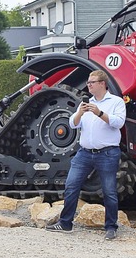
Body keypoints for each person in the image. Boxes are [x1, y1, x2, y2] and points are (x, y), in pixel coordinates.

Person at [46, 69, 126, 240]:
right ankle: (65, 222)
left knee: (109, 191)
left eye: (92, 82)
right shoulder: (86, 102)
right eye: (88, 82)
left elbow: (118, 123)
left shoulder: (116, 102)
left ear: (102, 84)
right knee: (71, 186)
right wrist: (80, 113)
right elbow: (73, 124)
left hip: (107, 153)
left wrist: (99, 113)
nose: (88, 85)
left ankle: (111, 227)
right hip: (84, 153)